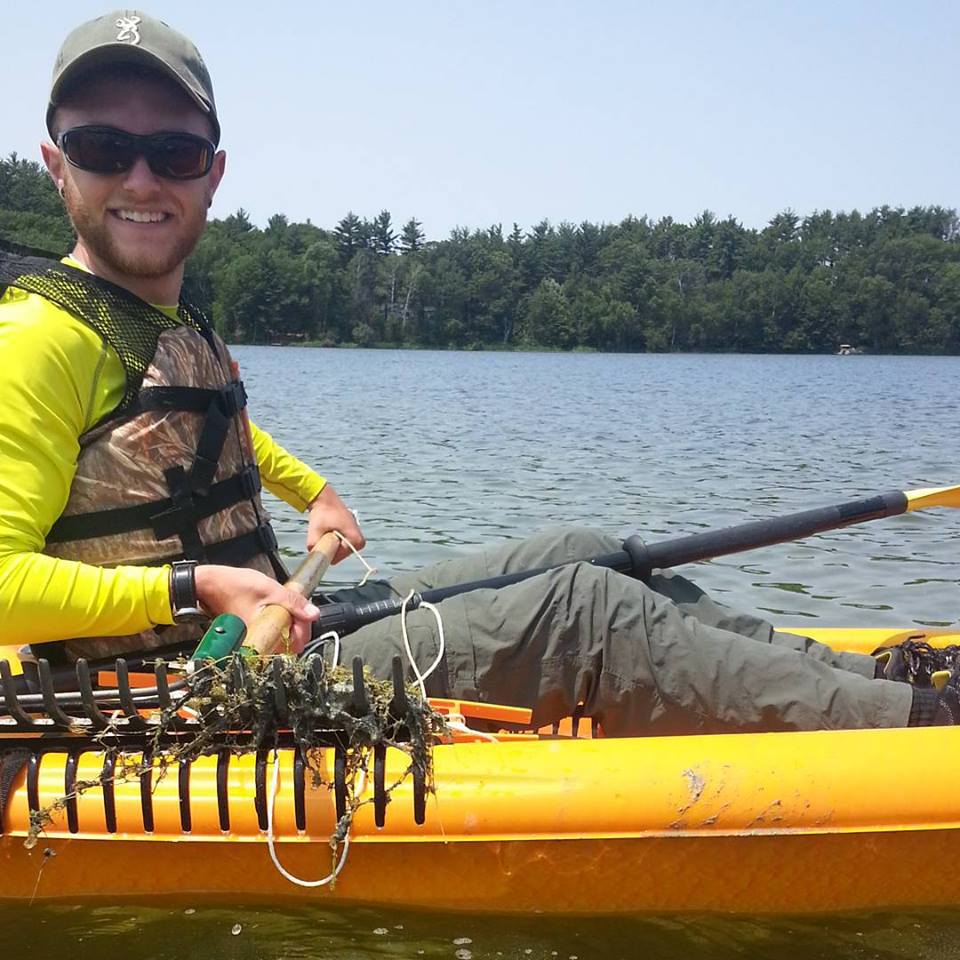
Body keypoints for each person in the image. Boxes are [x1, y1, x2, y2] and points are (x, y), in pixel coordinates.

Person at [0, 10, 955, 736]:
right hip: (173, 693)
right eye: (102, 148)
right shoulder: (36, 336)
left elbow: (201, 434)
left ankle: (881, 683)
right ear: (55, 163)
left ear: (213, 170)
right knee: (579, 612)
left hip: (276, 633)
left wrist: (313, 489)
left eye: (171, 151)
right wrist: (196, 588)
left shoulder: (154, 318)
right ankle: (916, 735)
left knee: (583, 551)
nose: (140, 179)